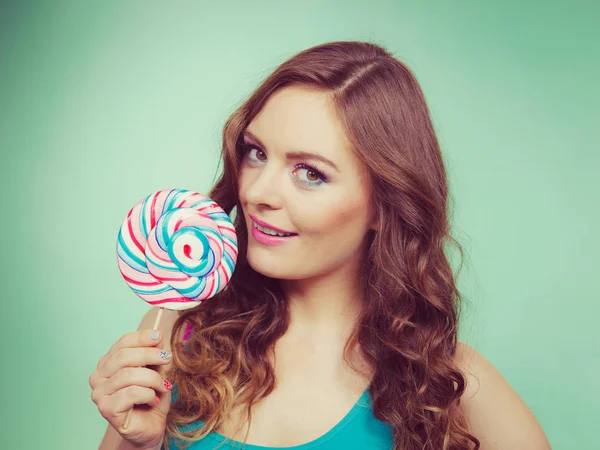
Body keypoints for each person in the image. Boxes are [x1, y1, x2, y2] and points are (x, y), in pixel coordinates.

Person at [89, 41, 551, 450]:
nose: (256, 193)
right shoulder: (180, 335)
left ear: (382, 205)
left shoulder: (448, 383)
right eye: (257, 153)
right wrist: (140, 444)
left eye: (310, 173)